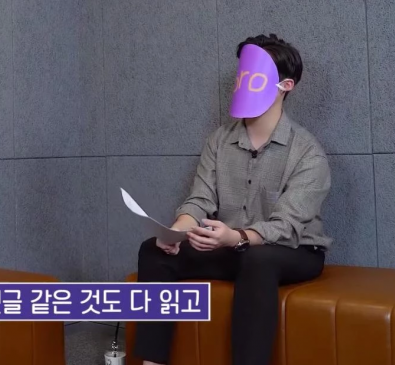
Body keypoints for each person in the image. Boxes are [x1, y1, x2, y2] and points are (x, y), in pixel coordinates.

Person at [132, 34, 332, 365]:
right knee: (153, 250)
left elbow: (287, 226)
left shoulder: (308, 152)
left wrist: (236, 237)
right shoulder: (219, 140)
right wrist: (178, 231)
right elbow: (200, 198)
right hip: (231, 246)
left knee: (258, 259)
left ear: (286, 85)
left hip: (293, 250)